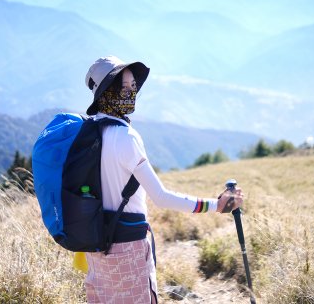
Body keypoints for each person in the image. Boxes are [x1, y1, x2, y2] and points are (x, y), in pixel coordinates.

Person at [83, 56, 244, 304]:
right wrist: (216, 205)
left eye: (132, 86)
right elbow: (161, 197)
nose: (130, 92)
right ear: (106, 91)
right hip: (127, 251)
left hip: (94, 249)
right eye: (122, 87)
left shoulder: (87, 133)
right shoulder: (126, 137)